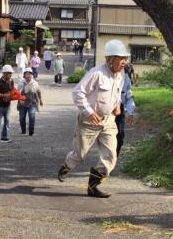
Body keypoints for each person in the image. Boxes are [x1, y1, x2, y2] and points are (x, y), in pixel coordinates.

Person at [57, 39, 129, 198]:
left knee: (110, 157)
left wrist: (117, 105)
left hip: (108, 121)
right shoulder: (96, 73)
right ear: (110, 59)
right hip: (89, 121)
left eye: (125, 58)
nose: (124, 62)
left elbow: (116, 94)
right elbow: (77, 93)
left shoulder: (120, 75)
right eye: (120, 58)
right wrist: (89, 111)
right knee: (80, 155)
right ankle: (67, 165)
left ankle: (93, 186)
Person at [115, 69, 136, 157]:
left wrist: (131, 113)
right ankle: (105, 164)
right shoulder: (102, 75)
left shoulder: (126, 77)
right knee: (106, 138)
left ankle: (113, 158)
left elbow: (129, 95)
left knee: (120, 136)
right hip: (106, 110)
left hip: (120, 110)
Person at [17, 68, 43, 136]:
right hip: (22, 103)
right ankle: (23, 130)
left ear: (32, 75)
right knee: (22, 118)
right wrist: (20, 100)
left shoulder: (35, 83)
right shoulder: (21, 83)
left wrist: (40, 100)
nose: (28, 75)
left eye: (30, 74)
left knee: (32, 116)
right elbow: (18, 93)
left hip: (32, 102)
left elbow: (38, 91)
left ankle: (31, 131)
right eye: (27, 74)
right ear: (24, 75)